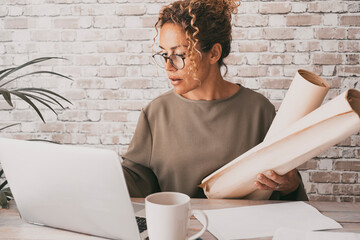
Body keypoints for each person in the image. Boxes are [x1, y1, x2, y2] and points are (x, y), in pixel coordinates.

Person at [121, 0, 308, 201]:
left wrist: (290, 185)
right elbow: (136, 182)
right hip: (181, 229)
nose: (168, 66)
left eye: (179, 55)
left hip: (243, 230)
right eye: (165, 54)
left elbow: (287, 190)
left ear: (214, 53)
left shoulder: (258, 110)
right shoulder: (156, 113)